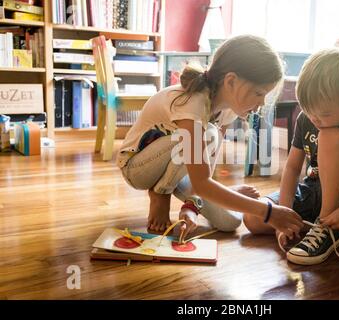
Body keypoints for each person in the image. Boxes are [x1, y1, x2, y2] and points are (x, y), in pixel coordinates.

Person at [117, 35, 303, 241]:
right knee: (209, 134)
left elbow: (204, 175)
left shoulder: (228, 109)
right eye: (258, 93)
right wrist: (268, 211)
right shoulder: (191, 104)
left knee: (230, 222)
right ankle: (161, 193)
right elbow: (203, 182)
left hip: (180, 167)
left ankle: (223, 192)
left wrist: (191, 206)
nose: (261, 104)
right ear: (231, 81)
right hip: (138, 167)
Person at [244, 48, 339, 265]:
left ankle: (328, 226)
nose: (314, 119)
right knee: (254, 218)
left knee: (329, 135)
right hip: (312, 191)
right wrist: (282, 214)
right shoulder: (308, 118)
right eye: (307, 109)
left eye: (324, 114)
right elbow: (293, 168)